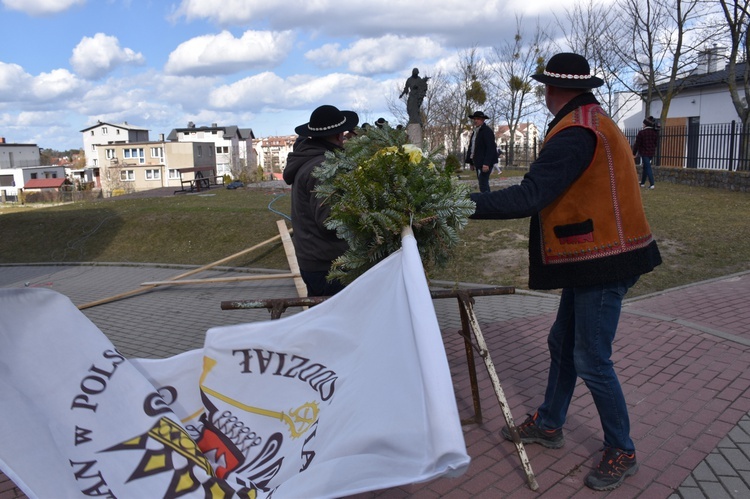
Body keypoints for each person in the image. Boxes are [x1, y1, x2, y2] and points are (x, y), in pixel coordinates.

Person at [470, 53, 662, 491]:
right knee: (564, 342)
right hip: (595, 252)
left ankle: (622, 449)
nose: (543, 94)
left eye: (544, 87)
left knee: (592, 358)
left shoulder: (577, 130)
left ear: (552, 89)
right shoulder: (588, 118)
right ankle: (552, 423)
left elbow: (530, 196)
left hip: (604, 258)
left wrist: (458, 206)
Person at [283, 105, 359, 297]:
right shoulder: (325, 169)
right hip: (329, 265)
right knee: (339, 323)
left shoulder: (310, 161)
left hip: (315, 261)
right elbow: (330, 222)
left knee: (323, 322)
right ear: (339, 136)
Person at [465, 111, 499, 193]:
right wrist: (471, 162)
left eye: (478, 119)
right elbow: (472, 147)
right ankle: (486, 201)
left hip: (484, 163)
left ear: (483, 120)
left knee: (483, 183)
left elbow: (491, 148)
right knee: (482, 183)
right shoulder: (475, 132)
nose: (476, 121)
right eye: (475, 119)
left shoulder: (487, 131)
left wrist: (486, 163)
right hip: (478, 162)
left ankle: (487, 202)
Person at [633, 116, 659, 189]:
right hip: (651, 152)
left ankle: (652, 184)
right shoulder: (655, 133)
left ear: (646, 124)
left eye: (643, 123)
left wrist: (634, 153)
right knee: (645, 166)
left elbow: (637, 144)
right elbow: (656, 143)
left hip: (644, 152)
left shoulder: (642, 133)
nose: (643, 124)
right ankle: (643, 183)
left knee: (647, 167)